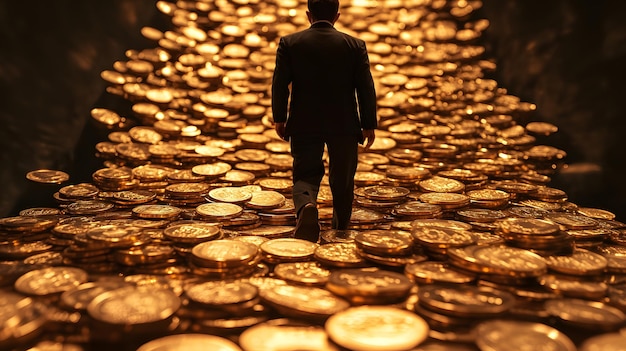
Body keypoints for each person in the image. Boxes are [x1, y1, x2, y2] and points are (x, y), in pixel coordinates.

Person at [271, 0, 377, 242]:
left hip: (304, 121)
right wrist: (368, 122)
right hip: (344, 124)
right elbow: (365, 87)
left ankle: (307, 205)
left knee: (305, 173)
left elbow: (280, 84)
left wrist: (280, 117)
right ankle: (340, 228)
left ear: (309, 15)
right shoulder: (355, 45)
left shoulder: (290, 43)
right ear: (337, 16)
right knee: (343, 178)